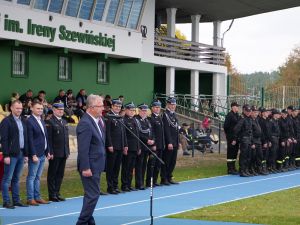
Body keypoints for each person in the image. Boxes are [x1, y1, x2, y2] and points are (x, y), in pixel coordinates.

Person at [76, 94, 106, 225]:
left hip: (96, 165)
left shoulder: (96, 121)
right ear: (91, 107)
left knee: (91, 195)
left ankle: (89, 222)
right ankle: (82, 222)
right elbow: (83, 149)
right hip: (90, 166)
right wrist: (86, 167)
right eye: (100, 106)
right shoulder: (85, 123)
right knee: (93, 195)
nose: (103, 108)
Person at [1, 100, 28, 209]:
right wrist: (6, 155)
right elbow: (4, 140)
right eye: (17, 108)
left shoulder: (23, 121)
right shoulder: (6, 121)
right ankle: (6, 201)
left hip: (21, 153)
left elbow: (25, 138)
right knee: (7, 178)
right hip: (11, 155)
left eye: (21, 108)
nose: (19, 110)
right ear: (11, 108)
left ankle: (16, 200)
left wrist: (26, 154)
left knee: (16, 178)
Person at [26, 100, 51, 206]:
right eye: (38, 108)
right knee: (31, 177)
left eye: (41, 108)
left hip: (42, 153)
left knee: (38, 177)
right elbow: (30, 140)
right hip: (35, 155)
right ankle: (30, 198)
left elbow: (45, 137)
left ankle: (37, 197)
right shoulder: (29, 121)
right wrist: (33, 154)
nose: (40, 110)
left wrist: (47, 151)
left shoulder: (41, 120)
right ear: (32, 108)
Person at [46, 102, 70, 202]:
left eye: (62, 110)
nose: (61, 111)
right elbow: (49, 139)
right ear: (54, 110)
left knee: (60, 174)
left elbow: (66, 138)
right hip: (55, 153)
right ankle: (52, 194)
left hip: (63, 152)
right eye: (59, 110)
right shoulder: (50, 122)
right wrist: (50, 152)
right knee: (52, 174)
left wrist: (67, 151)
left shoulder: (64, 121)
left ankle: (57, 192)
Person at [105, 99, 127, 194]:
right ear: (112, 106)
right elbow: (108, 133)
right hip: (113, 147)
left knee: (117, 167)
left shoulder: (120, 117)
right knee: (111, 168)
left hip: (120, 146)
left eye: (119, 106)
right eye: (116, 106)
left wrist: (125, 145)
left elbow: (124, 133)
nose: (118, 108)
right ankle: (110, 187)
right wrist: (109, 144)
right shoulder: (109, 117)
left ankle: (115, 185)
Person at [135, 103, 155, 189]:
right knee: (139, 165)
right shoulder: (137, 120)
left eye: (145, 111)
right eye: (142, 110)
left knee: (144, 165)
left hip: (148, 146)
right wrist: (147, 140)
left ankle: (142, 182)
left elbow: (151, 132)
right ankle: (139, 183)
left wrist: (153, 140)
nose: (144, 112)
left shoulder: (147, 120)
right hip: (142, 145)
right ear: (139, 111)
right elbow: (138, 133)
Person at [121, 102, 140, 192]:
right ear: (126, 110)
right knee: (126, 167)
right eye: (130, 110)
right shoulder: (123, 120)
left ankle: (129, 184)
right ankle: (124, 185)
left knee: (131, 168)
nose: (132, 112)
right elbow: (124, 135)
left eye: (133, 110)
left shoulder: (134, 120)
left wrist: (138, 147)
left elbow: (137, 135)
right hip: (128, 148)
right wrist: (125, 146)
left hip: (135, 148)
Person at [161, 97, 179, 185]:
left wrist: (177, 142)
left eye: (174, 104)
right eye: (171, 104)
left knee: (173, 161)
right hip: (170, 142)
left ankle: (169, 176)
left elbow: (176, 130)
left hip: (175, 142)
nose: (173, 106)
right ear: (168, 104)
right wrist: (169, 142)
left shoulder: (173, 114)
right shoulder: (165, 115)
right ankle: (164, 178)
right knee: (167, 160)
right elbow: (166, 130)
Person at [233, 104, 253, 177]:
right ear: (244, 111)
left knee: (248, 155)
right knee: (243, 155)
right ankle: (242, 170)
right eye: (247, 111)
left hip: (249, 139)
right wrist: (239, 137)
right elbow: (236, 129)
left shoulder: (249, 118)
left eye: (249, 111)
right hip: (244, 139)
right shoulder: (242, 118)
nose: (248, 112)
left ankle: (246, 169)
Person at [149, 99, 165, 186]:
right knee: (152, 164)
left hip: (160, 145)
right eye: (156, 107)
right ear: (152, 108)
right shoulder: (151, 118)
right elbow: (152, 133)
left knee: (158, 165)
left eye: (159, 107)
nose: (158, 109)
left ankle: (155, 181)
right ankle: (150, 182)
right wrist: (154, 144)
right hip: (155, 145)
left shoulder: (159, 117)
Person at [224, 102, 241, 175]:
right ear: (233, 107)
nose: (238, 108)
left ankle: (233, 167)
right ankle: (230, 169)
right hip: (231, 137)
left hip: (236, 137)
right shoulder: (229, 115)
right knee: (231, 153)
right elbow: (226, 126)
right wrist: (230, 137)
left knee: (235, 153)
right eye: (237, 107)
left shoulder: (236, 115)